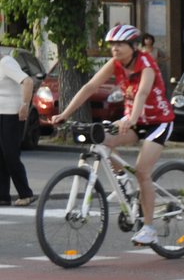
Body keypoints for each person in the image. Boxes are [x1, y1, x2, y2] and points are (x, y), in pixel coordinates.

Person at [56, 25, 174, 246]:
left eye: (120, 44)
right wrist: (64, 113)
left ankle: (149, 228)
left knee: (142, 172)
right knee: (103, 141)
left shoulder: (146, 65)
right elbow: (90, 87)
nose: (115, 49)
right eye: (112, 44)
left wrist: (129, 119)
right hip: (133, 121)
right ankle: (125, 185)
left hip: (158, 122)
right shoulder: (115, 64)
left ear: (133, 46)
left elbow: (142, 94)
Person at [0, 48, 37, 207]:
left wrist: (25, 105)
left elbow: (27, 81)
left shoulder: (6, 63)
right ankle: (2, 196)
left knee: (10, 155)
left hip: (13, 115)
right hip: (1, 114)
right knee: (0, 156)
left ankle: (26, 194)